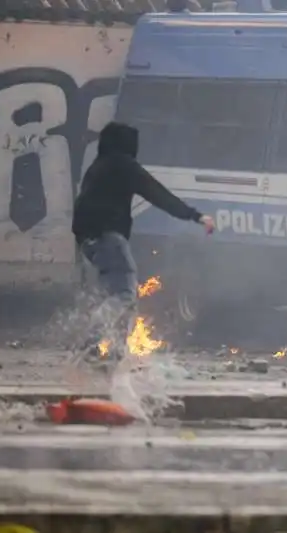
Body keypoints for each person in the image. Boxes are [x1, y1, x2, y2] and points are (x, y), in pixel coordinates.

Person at [71, 121, 215, 372]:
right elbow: (156, 193)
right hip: (108, 236)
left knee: (121, 296)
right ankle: (90, 344)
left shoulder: (98, 166)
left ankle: (115, 352)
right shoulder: (123, 165)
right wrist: (195, 215)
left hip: (89, 240)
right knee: (124, 295)